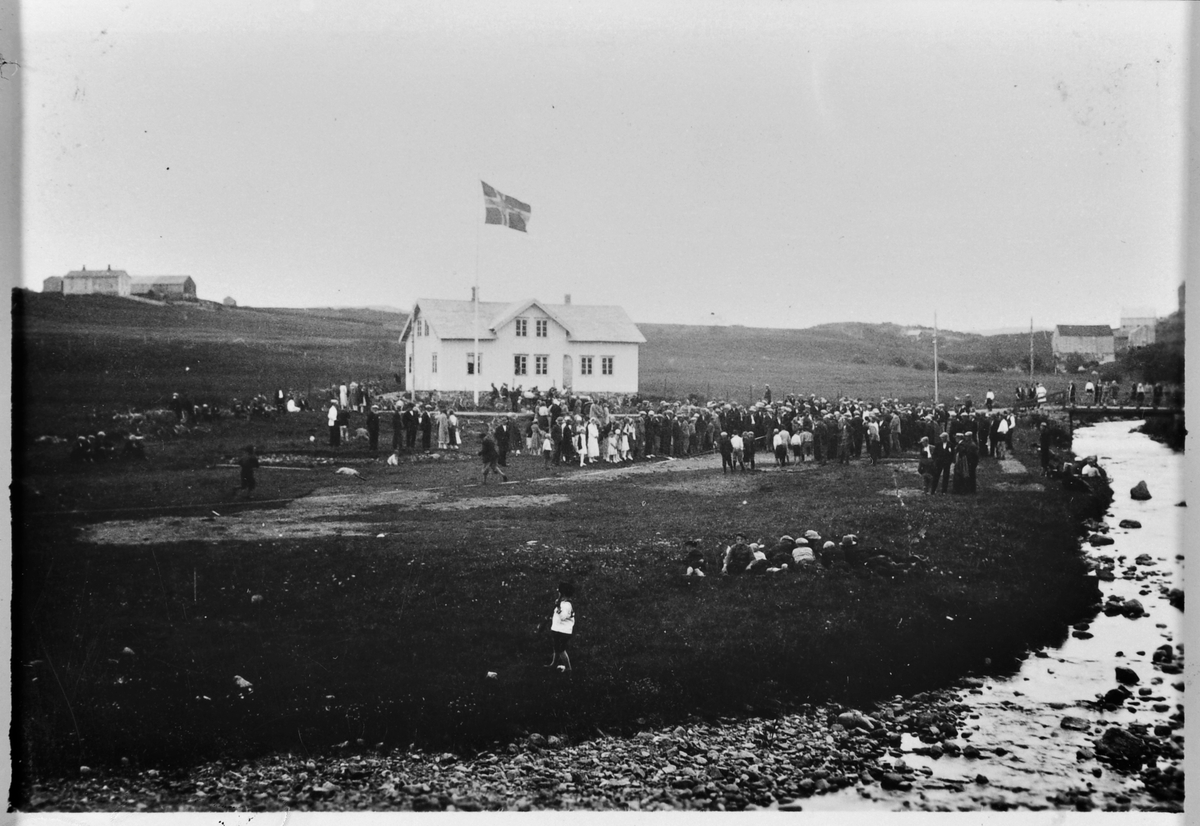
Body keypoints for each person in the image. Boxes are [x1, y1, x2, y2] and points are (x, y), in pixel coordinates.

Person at [546, 582, 576, 672]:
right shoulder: (563, 603)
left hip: (563, 632)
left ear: (562, 594)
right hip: (557, 629)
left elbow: (562, 617)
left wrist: (558, 607)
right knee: (556, 647)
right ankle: (553, 664)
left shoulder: (567, 605)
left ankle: (568, 668)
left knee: (561, 649)